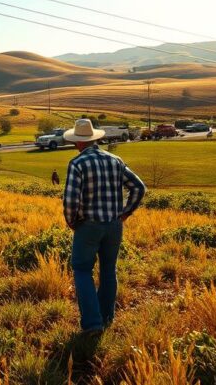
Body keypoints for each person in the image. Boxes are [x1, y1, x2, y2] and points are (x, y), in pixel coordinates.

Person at [62, 118, 145, 335]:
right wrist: (125, 213)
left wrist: (72, 222)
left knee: (82, 270)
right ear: (95, 139)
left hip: (88, 226)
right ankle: (106, 317)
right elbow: (139, 187)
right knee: (108, 270)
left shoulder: (77, 164)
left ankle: (92, 324)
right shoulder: (115, 160)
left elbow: (70, 201)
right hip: (114, 225)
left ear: (78, 142)